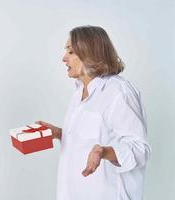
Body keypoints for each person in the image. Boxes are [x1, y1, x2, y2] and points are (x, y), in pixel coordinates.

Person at [37, 25, 151, 200]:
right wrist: (60, 133)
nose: (64, 58)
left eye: (71, 52)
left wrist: (104, 152)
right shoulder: (78, 92)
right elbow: (87, 139)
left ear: (89, 53)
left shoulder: (118, 92)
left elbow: (140, 149)